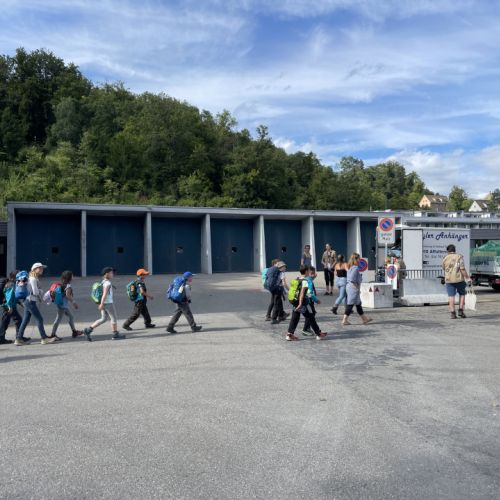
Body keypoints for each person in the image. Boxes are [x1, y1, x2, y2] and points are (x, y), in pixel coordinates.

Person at [16, 263, 56, 345]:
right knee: (39, 319)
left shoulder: (31, 278)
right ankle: (44, 338)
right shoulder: (33, 279)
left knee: (25, 320)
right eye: (40, 268)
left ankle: (19, 339)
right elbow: (35, 292)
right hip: (30, 301)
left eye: (42, 268)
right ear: (34, 269)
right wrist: (41, 290)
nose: (42, 269)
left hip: (28, 301)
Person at [285, 265, 327, 341]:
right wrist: (314, 300)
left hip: (295, 301)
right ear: (306, 271)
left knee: (295, 317)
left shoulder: (297, 279)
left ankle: (289, 334)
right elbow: (305, 293)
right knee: (310, 317)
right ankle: (318, 334)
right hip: (303, 303)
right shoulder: (305, 281)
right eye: (308, 270)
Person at [83, 267, 125, 341]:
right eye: (111, 273)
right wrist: (101, 304)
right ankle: (115, 334)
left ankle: (88, 330)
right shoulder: (108, 283)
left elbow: (105, 289)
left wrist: (112, 286)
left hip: (104, 303)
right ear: (107, 274)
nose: (113, 274)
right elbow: (104, 294)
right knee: (114, 318)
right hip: (108, 303)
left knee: (103, 319)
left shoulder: (104, 282)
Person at [50, 270, 83, 340]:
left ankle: (74, 332)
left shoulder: (62, 284)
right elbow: (68, 295)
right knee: (58, 319)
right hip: (63, 306)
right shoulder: (68, 285)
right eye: (72, 275)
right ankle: (53, 334)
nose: (73, 277)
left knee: (71, 317)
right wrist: (74, 302)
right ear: (69, 277)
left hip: (61, 304)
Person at [342, 253, 372, 326]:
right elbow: (352, 279)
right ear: (355, 259)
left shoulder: (351, 267)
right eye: (358, 258)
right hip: (353, 288)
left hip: (350, 287)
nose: (359, 260)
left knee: (358, 304)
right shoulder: (355, 268)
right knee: (350, 304)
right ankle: (344, 320)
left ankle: (364, 319)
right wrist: (357, 288)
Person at [442, 244, 471, 319]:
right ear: (455, 250)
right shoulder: (459, 257)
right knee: (462, 294)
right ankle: (461, 311)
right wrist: (468, 278)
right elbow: (462, 269)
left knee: (451, 296)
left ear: (448, 251)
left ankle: (453, 313)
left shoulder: (445, 258)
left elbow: (444, 268)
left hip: (449, 280)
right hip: (459, 280)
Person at [0, 271, 21, 344]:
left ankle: (1, 338)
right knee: (18, 320)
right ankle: (19, 337)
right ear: (15, 277)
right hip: (8, 306)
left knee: (5, 321)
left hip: (7, 305)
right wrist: (10, 307)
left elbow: (13, 296)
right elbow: (9, 297)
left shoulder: (11, 283)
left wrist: (19, 303)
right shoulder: (11, 284)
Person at [302, 265, 320, 336]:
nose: (313, 275)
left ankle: (307, 328)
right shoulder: (309, 280)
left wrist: (313, 277)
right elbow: (308, 293)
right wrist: (315, 300)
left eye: (314, 273)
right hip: (308, 301)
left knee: (312, 313)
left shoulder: (307, 279)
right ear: (307, 273)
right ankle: (305, 329)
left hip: (307, 300)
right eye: (312, 273)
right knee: (310, 315)